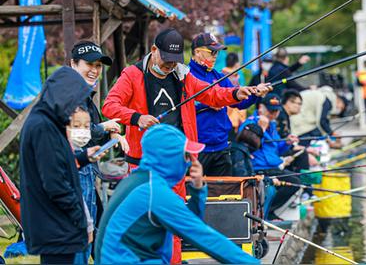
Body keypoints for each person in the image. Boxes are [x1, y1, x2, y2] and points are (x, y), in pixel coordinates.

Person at [102, 28, 260, 262]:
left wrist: (237, 93)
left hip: (177, 159)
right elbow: (109, 105)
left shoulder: (182, 74)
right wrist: (136, 117)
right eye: (166, 62)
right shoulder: (132, 75)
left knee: (173, 223)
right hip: (143, 162)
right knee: (154, 223)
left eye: (174, 63)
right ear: (154, 50)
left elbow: (212, 95)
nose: (169, 67)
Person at [95, 124, 259, 264]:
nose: (190, 162)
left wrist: (197, 188)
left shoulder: (140, 181)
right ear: (170, 157)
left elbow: (188, 222)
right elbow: (203, 236)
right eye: (186, 155)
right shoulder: (154, 193)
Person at [19, 67, 105, 264]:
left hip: (55, 225)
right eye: (74, 101)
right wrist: (81, 220)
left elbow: (57, 161)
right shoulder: (43, 127)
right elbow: (55, 182)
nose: (75, 107)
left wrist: (84, 157)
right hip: (55, 226)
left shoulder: (48, 120)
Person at [69, 40, 129, 264]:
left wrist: (110, 133)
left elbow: (91, 129)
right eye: (89, 64)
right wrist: (106, 127)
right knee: (83, 236)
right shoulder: (72, 93)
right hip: (78, 171)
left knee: (95, 233)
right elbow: (78, 134)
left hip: (86, 171)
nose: (94, 71)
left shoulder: (85, 94)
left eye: (98, 66)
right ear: (73, 64)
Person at [189, 33, 271, 176]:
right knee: (193, 193)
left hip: (221, 147)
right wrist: (208, 104)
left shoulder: (219, 77)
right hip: (196, 149)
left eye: (217, 52)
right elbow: (180, 106)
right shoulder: (185, 75)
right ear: (197, 52)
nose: (215, 56)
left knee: (222, 195)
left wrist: (255, 94)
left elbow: (239, 103)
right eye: (211, 52)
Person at [244, 94, 302, 220]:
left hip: (273, 165)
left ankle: (268, 211)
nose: (274, 114)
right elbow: (248, 146)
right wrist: (261, 129)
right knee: (294, 182)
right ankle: (266, 212)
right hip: (259, 167)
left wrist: (287, 142)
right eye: (271, 110)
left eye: (276, 111)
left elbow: (276, 149)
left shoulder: (272, 125)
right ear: (261, 108)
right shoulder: (251, 123)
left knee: (296, 178)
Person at [222, 52, 247, 136]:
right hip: (234, 120)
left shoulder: (220, 75)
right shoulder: (237, 77)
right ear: (237, 63)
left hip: (223, 118)